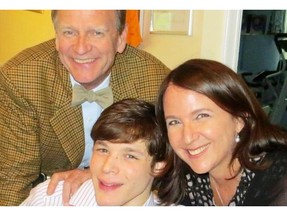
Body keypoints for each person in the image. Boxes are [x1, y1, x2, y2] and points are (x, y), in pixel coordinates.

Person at [0, 10, 170, 206]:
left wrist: (96, 173)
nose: (81, 48)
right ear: (56, 37)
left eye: (97, 33)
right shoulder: (21, 79)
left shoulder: (154, 83)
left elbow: (169, 164)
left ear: (121, 37)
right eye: (69, 32)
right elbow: (12, 181)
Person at [155, 59, 287, 206]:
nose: (187, 138)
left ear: (239, 120)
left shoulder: (280, 180)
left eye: (201, 116)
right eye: (174, 122)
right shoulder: (183, 179)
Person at [20, 99, 171, 206]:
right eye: (103, 150)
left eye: (129, 156)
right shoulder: (49, 199)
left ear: (158, 166)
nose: (107, 167)